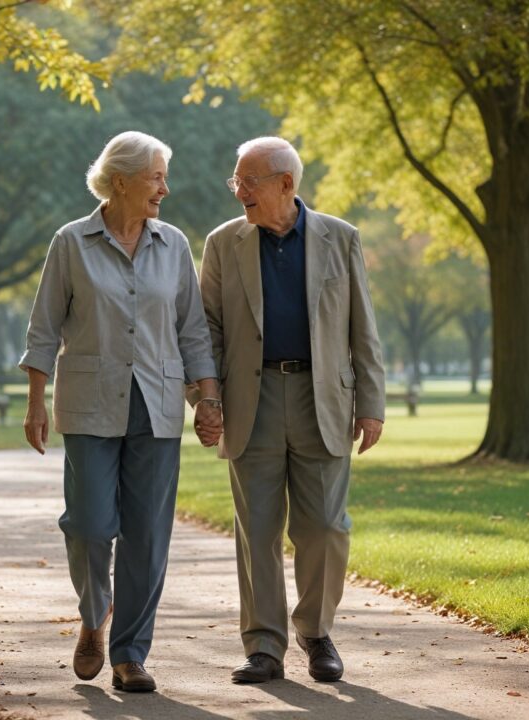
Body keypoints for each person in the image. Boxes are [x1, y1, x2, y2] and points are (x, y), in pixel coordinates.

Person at [19, 131, 221, 693]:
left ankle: (130, 654)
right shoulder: (71, 242)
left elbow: (192, 331)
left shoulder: (174, 244)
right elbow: (43, 327)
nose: (166, 187)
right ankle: (94, 617)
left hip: (157, 407)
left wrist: (208, 398)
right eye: (157, 176)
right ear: (121, 180)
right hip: (88, 405)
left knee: (148, 536)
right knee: (88, 525)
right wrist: (36, 402)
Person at [194, 136, 385, 684]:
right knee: (256, 527)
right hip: (247, 399)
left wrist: (371, 404)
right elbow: (206, 327)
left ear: (286, 183)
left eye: (248, 181)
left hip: (321, 396)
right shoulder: (222, 243)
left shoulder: (340, 237)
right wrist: (205, 398)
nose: (239, 192)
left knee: (325, 524)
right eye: (236, 181)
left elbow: (362, 327)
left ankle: (316, 631)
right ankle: (264, 647)